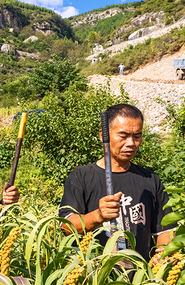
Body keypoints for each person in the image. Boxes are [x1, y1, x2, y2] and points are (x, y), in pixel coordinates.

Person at [59, 104, 172, 261]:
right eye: (123, 136)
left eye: (137, 136)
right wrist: (98, 216)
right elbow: (66, 227)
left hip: (140, 278)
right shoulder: (81, 176)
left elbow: (164, 230)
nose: (131, 143)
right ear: (103, 136)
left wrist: (162, 257)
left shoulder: (150, 180)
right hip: (95, 279)